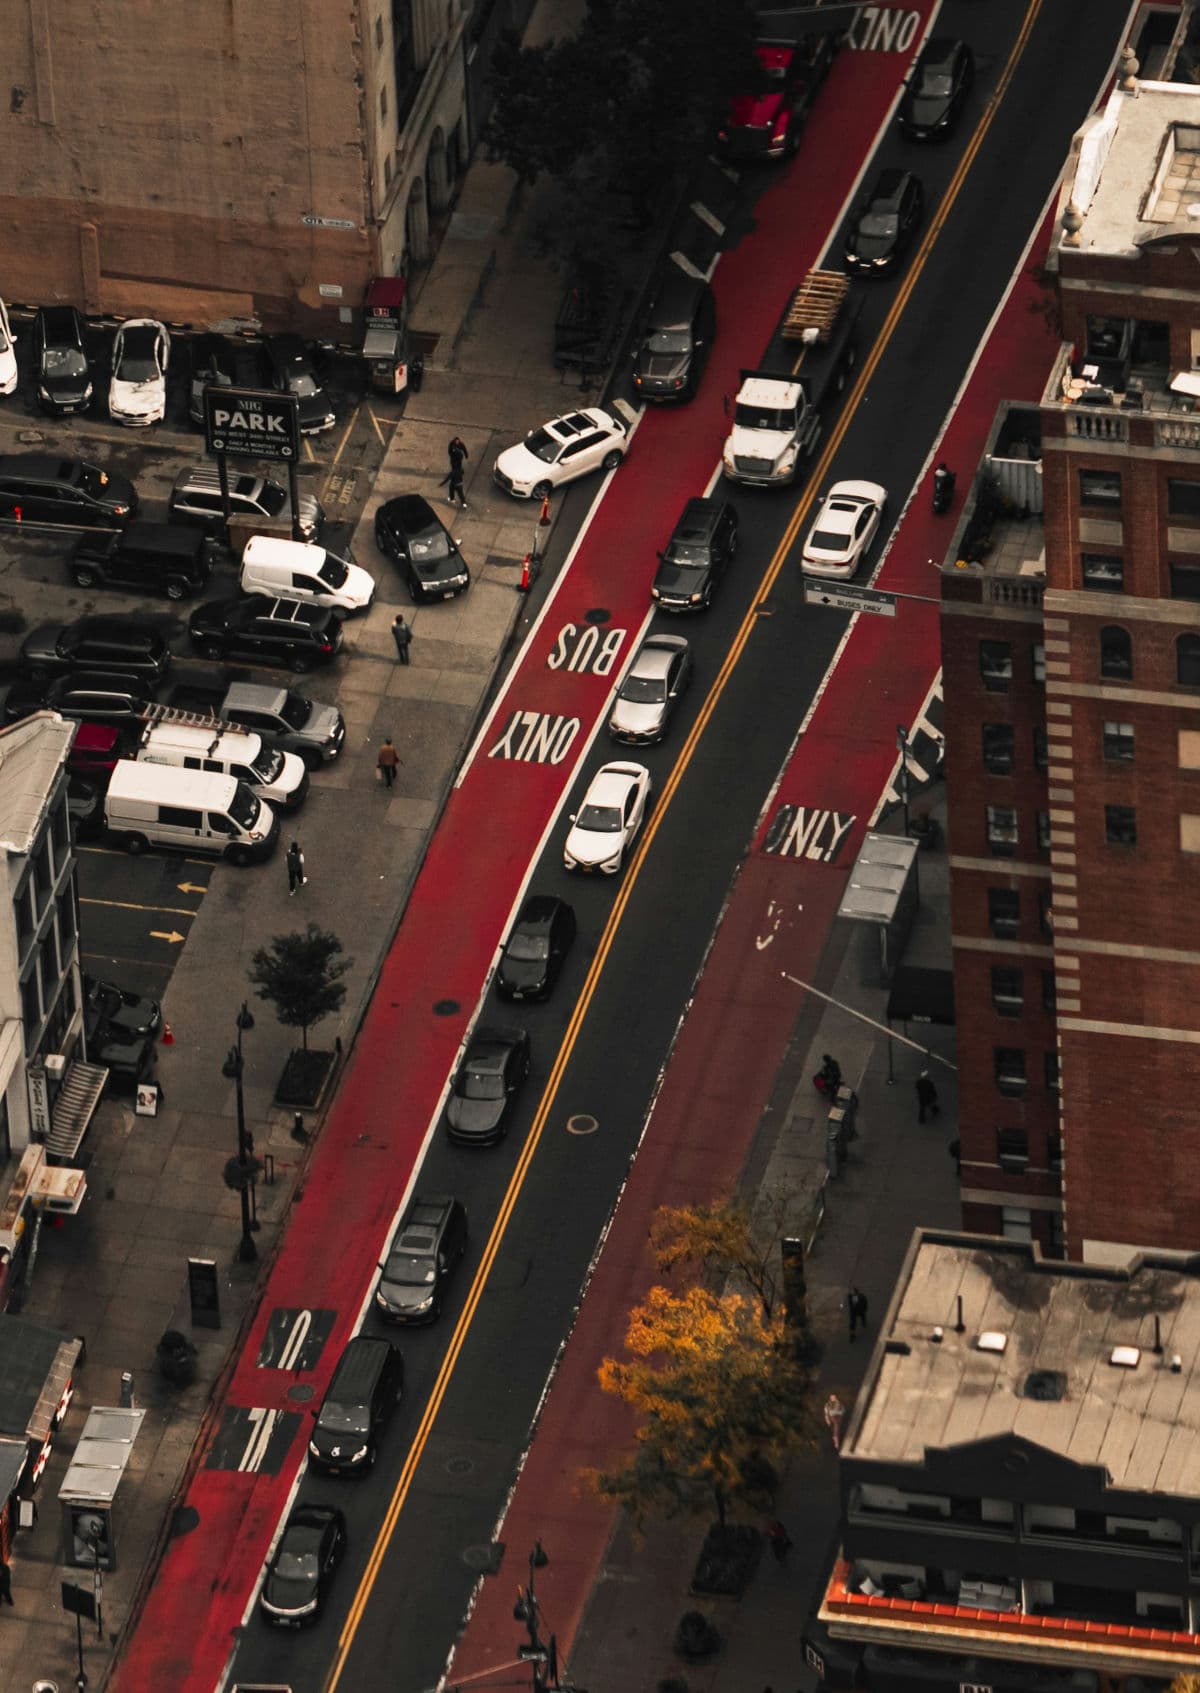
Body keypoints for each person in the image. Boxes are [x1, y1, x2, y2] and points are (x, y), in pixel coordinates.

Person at [447, 435, 469, 509]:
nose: (457, 442)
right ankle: (462, 502)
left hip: (455, 483)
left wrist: (466, 455)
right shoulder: (459, 471)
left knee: (452, 489)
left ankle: (452, 499)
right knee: (459, 493)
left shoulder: (453, 472)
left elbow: (447, 478)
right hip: (459, 483)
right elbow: (449, 451)